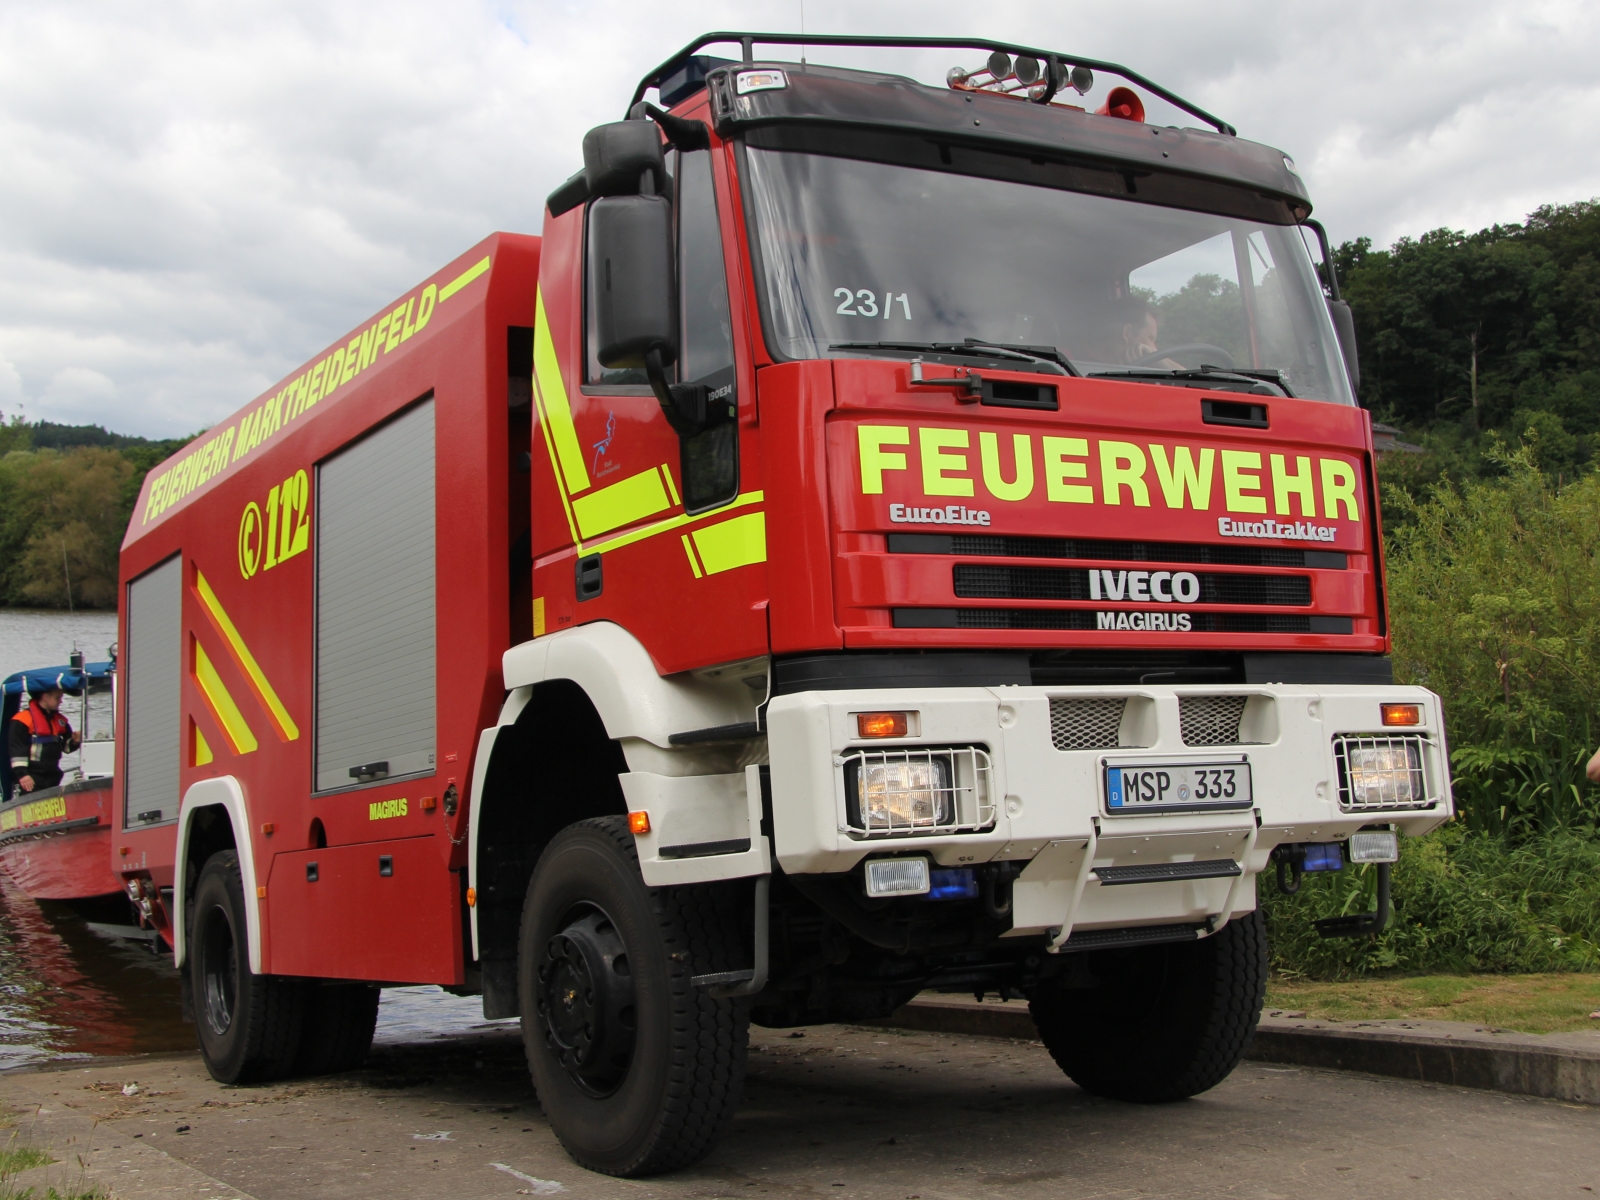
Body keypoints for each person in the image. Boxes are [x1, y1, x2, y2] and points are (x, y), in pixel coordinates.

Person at [8, 683, 80, 795]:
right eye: (58, 698)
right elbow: (16, 750)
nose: (61, 701)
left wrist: (75, 741)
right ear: (45, 697)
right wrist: (23, 775)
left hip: (53, 777)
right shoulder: (22, 720)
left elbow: (66, 748)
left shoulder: (60, 721)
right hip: (31, 779)